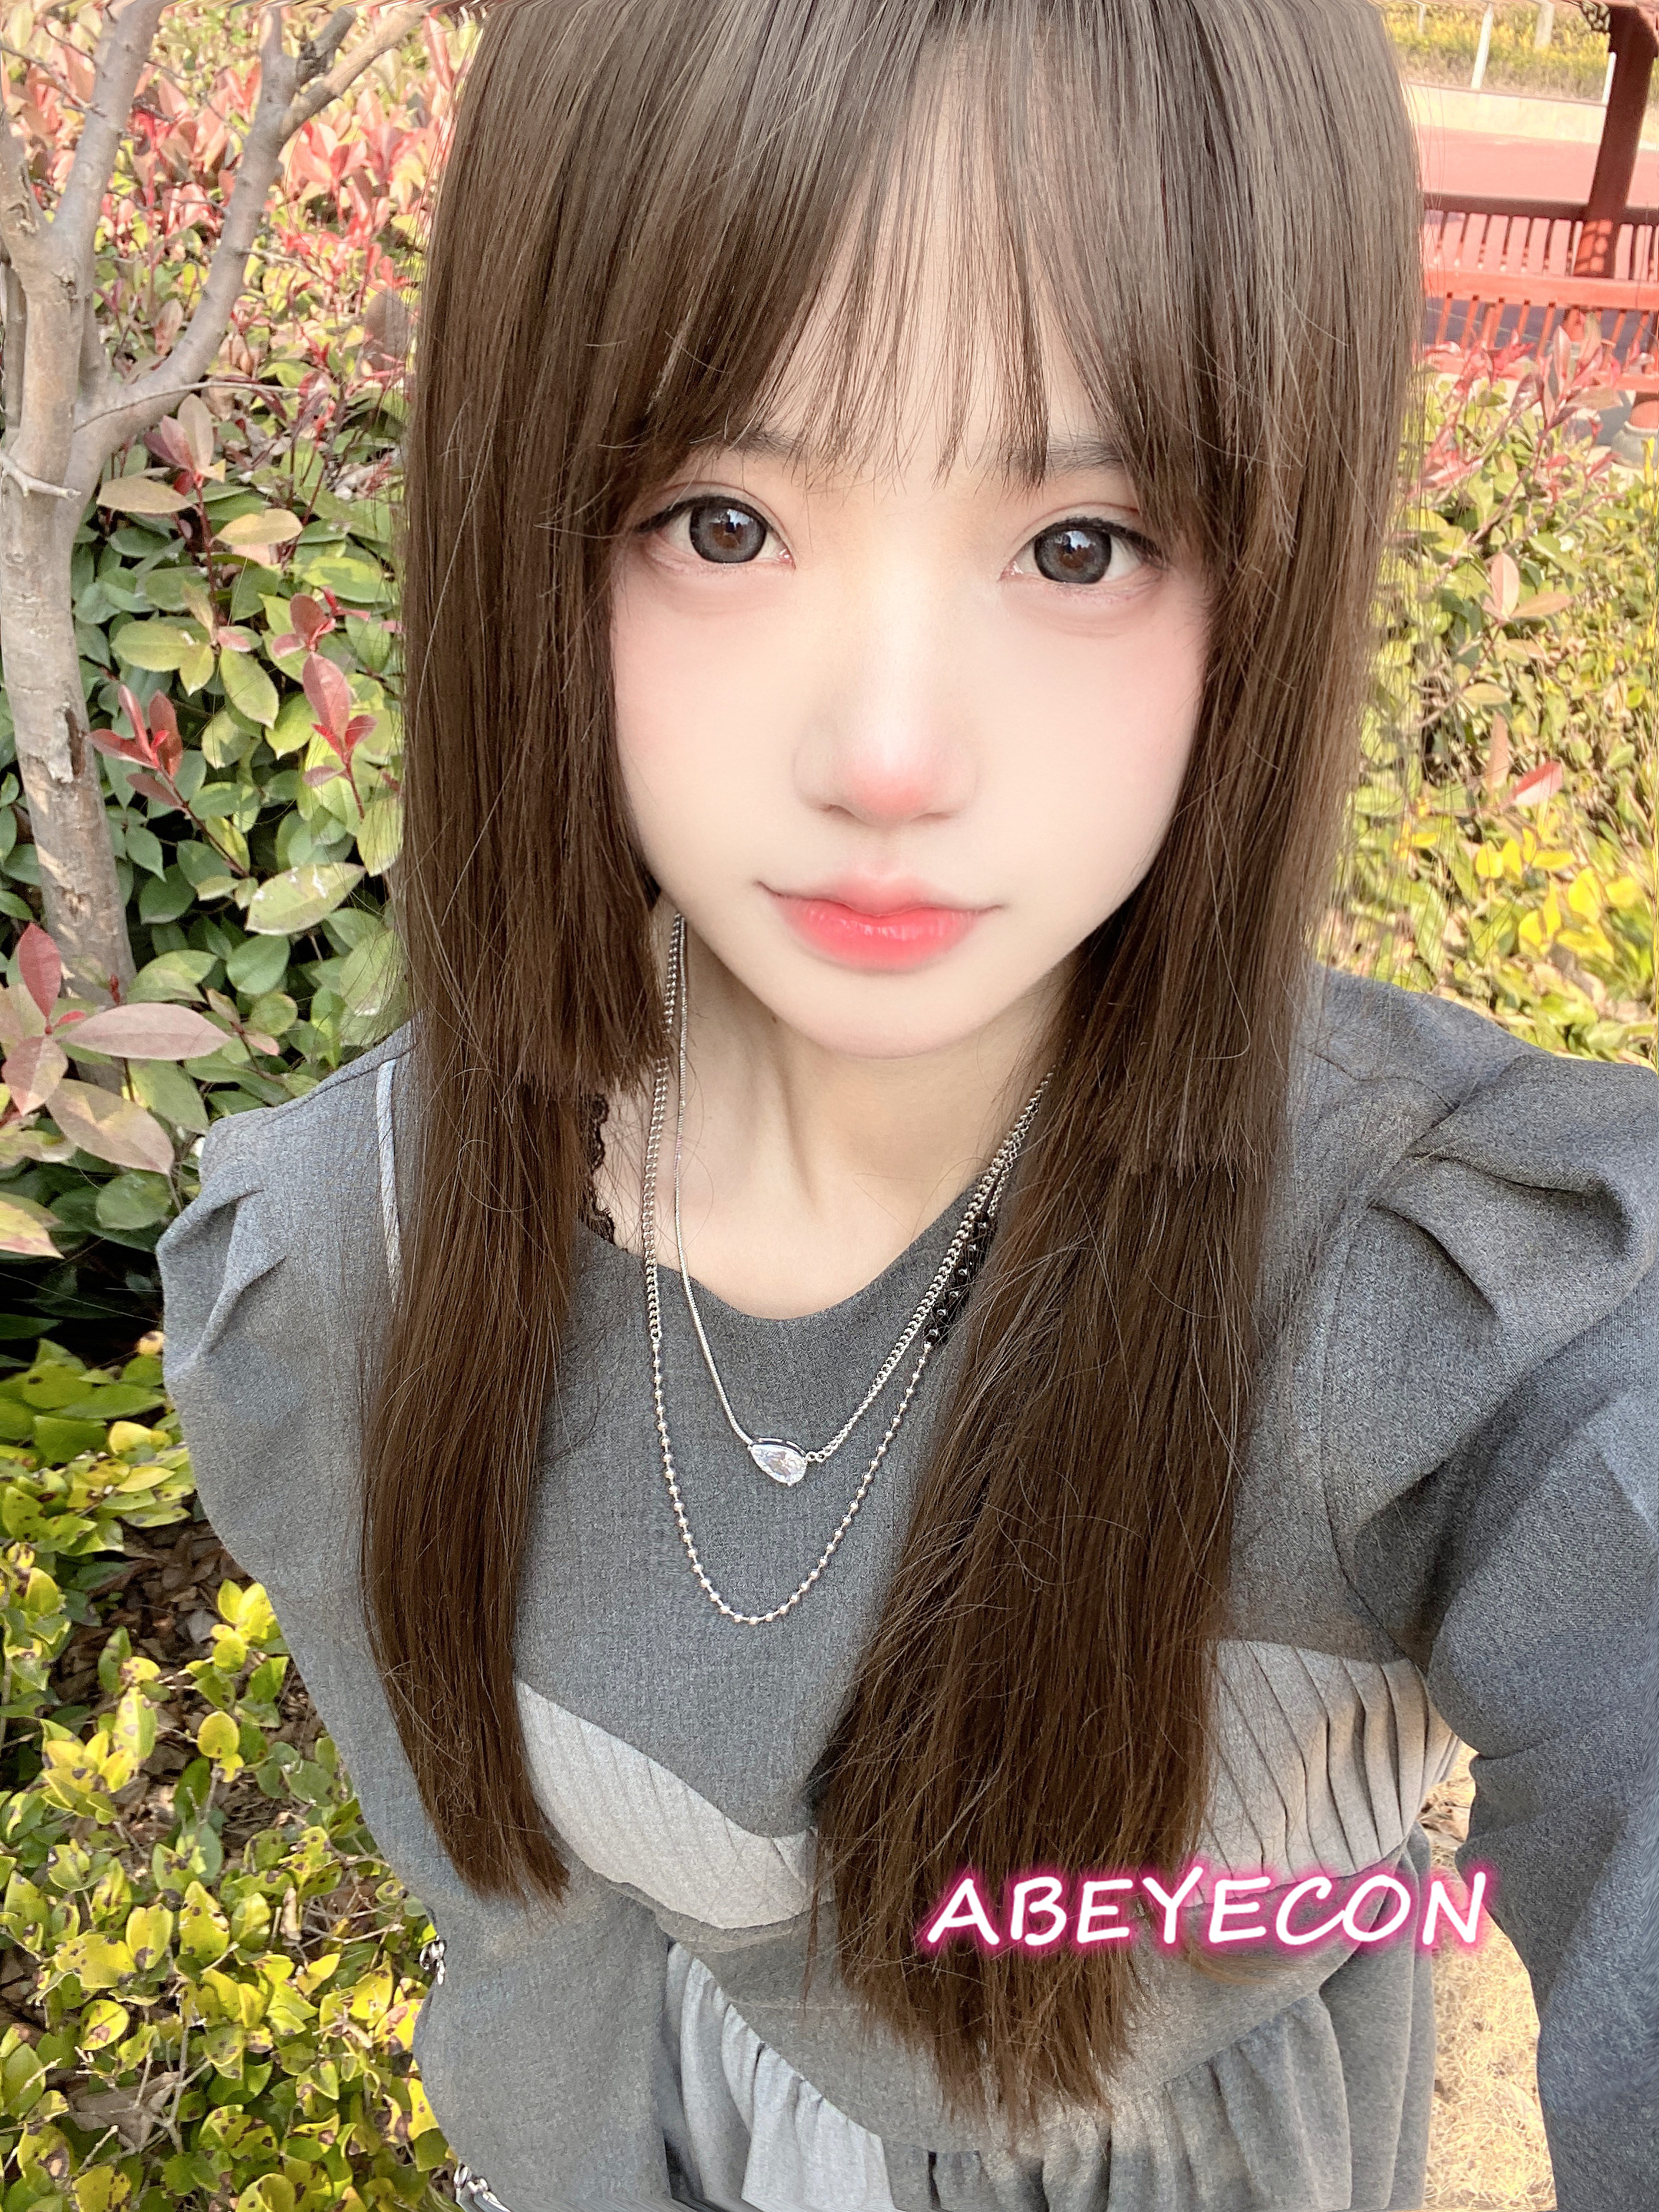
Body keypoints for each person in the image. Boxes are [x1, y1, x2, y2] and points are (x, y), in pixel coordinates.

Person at [155, 1, 1658, 2207]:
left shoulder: (1446, 1311)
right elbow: (526, 1940)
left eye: (1079, 544)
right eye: (724, 520)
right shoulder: (357, 1255)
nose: (883, 752)